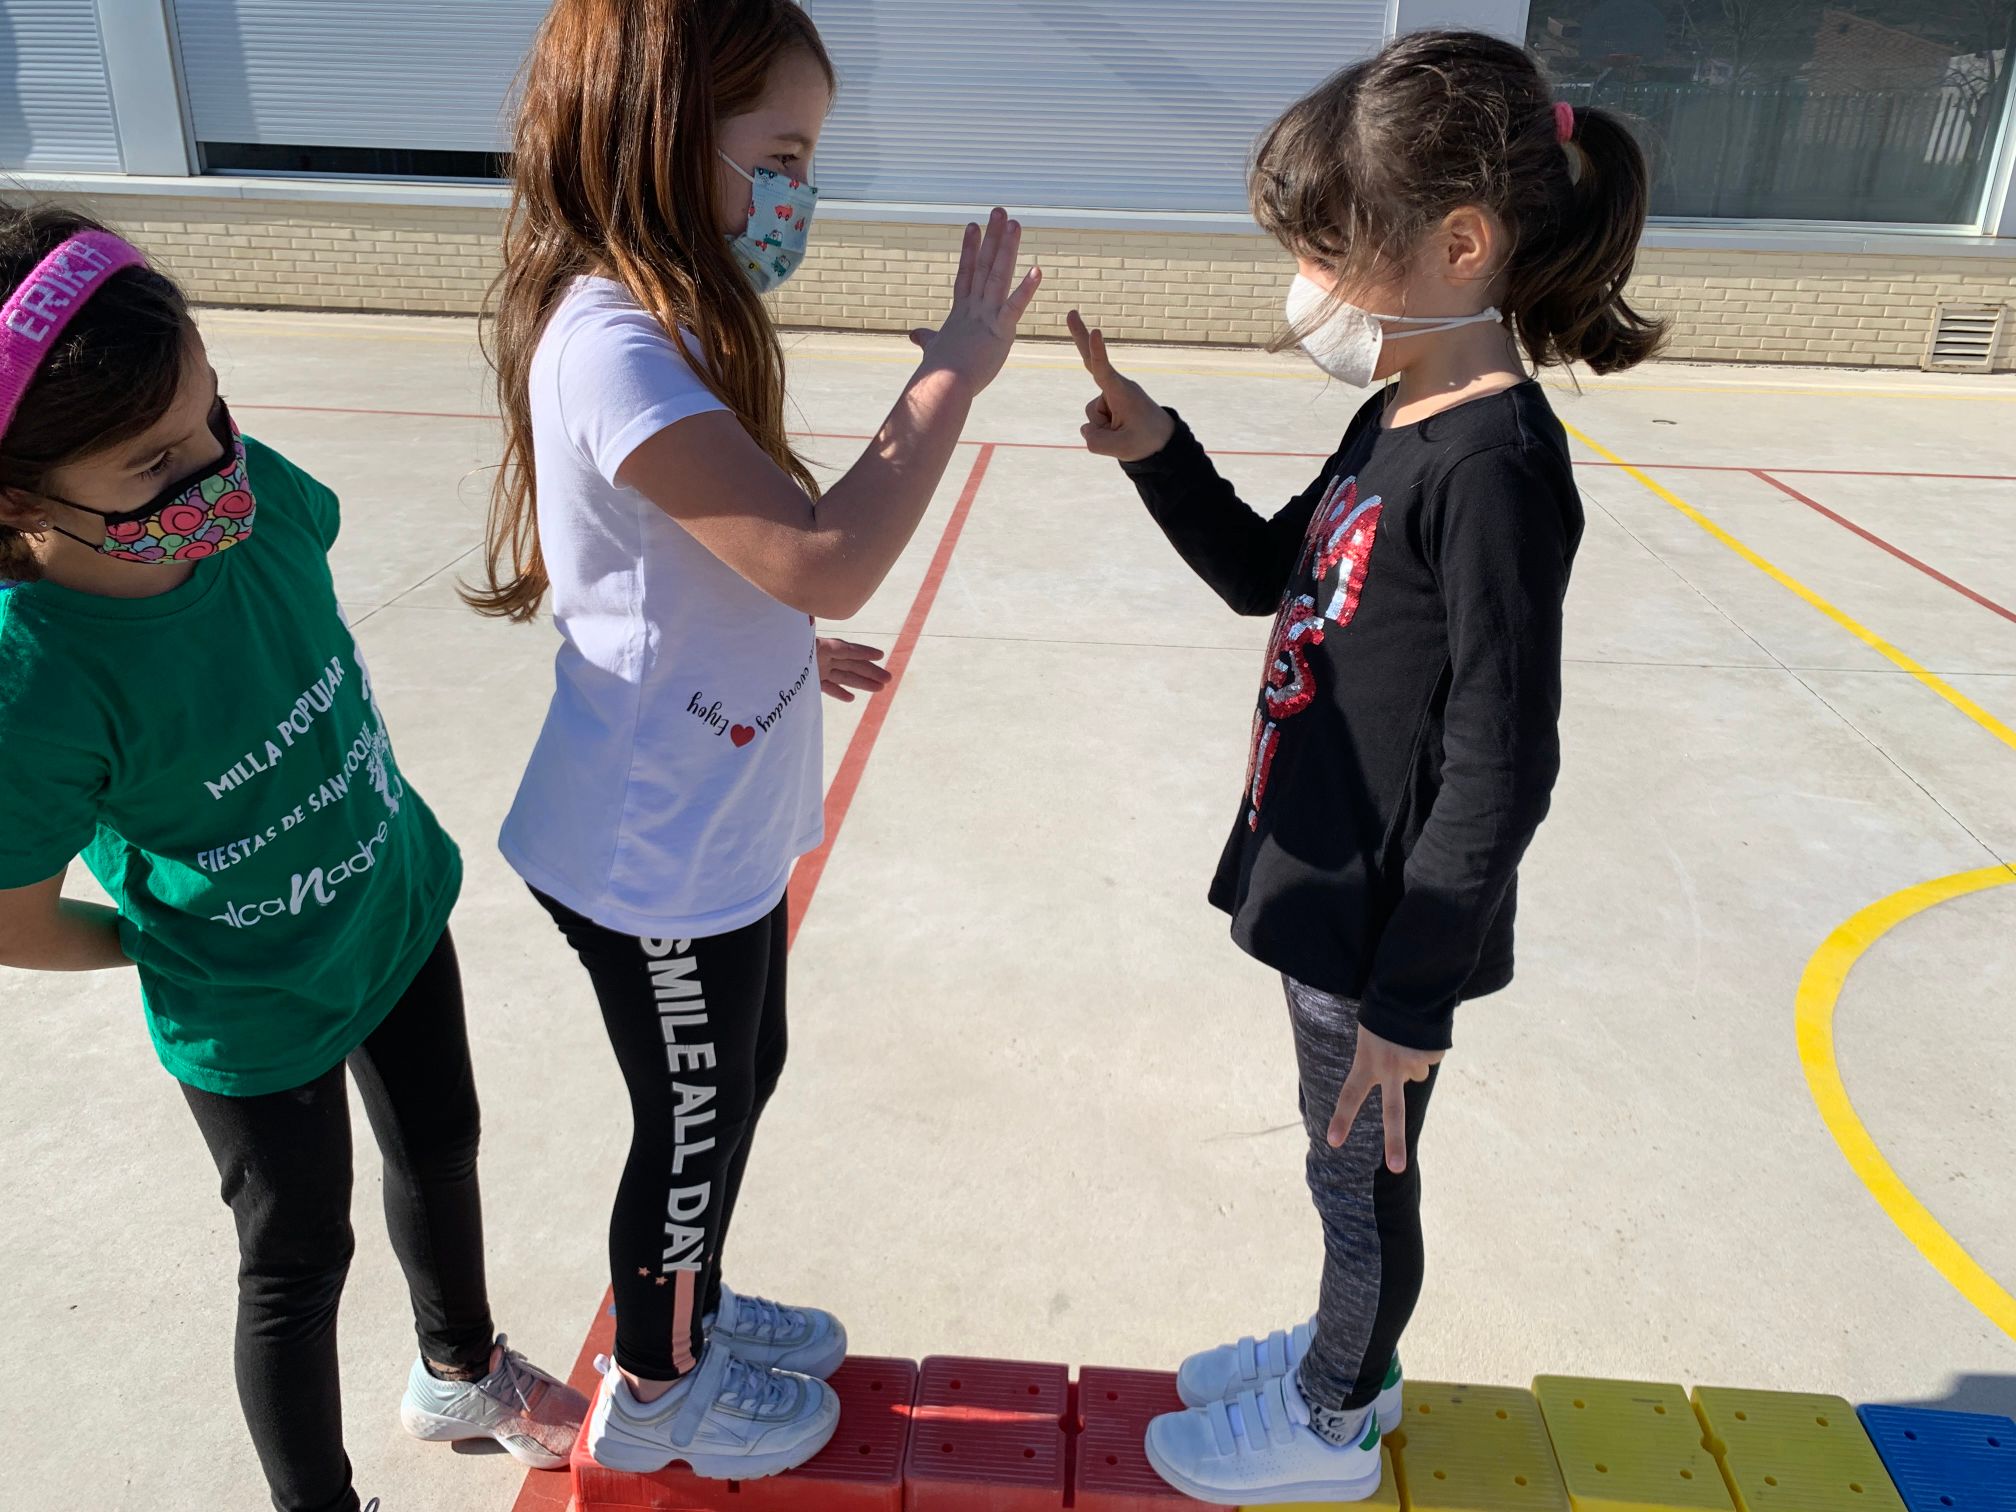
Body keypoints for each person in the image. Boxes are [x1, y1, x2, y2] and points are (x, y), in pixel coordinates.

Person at [1067, 29, 1665, 1506]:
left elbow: (1504, 760)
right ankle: (1351, 1354)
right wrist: (1158, 450)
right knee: (1341, 1166)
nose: (1311, 286)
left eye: (1332, 250)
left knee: (1361, 1178)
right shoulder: (1397, 406)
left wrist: (1414, 996)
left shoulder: (1495, 469)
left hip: (1387, 928)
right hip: (1325, 881)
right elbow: (1266, 573)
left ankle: (1337, 1414)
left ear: (1460, 245)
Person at [469, 0, 1037, 1479]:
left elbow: (711, 560)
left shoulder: (668, 319)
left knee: (741, 1072)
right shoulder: (610, 342)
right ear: (665, 134)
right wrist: (953, 368)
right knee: (692, 1117)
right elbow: (824, 552)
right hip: (649, 851)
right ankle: (658, 1390)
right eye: (780, 156)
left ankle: (696, 1307)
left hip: (713, 811)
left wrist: (784, 641)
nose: (799, 193)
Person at [0, 207, 586, 1512]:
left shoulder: (252, 504)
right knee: (296, 1262)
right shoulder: (31, 680)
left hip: (393, 904)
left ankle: (460, 1368)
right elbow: (11, 917)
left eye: (213, 413)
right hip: (251, 1007)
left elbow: (283, 561)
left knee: (441, 1145)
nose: (215, 470)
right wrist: (166, 944)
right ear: (15, 497)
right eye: (155, 464)